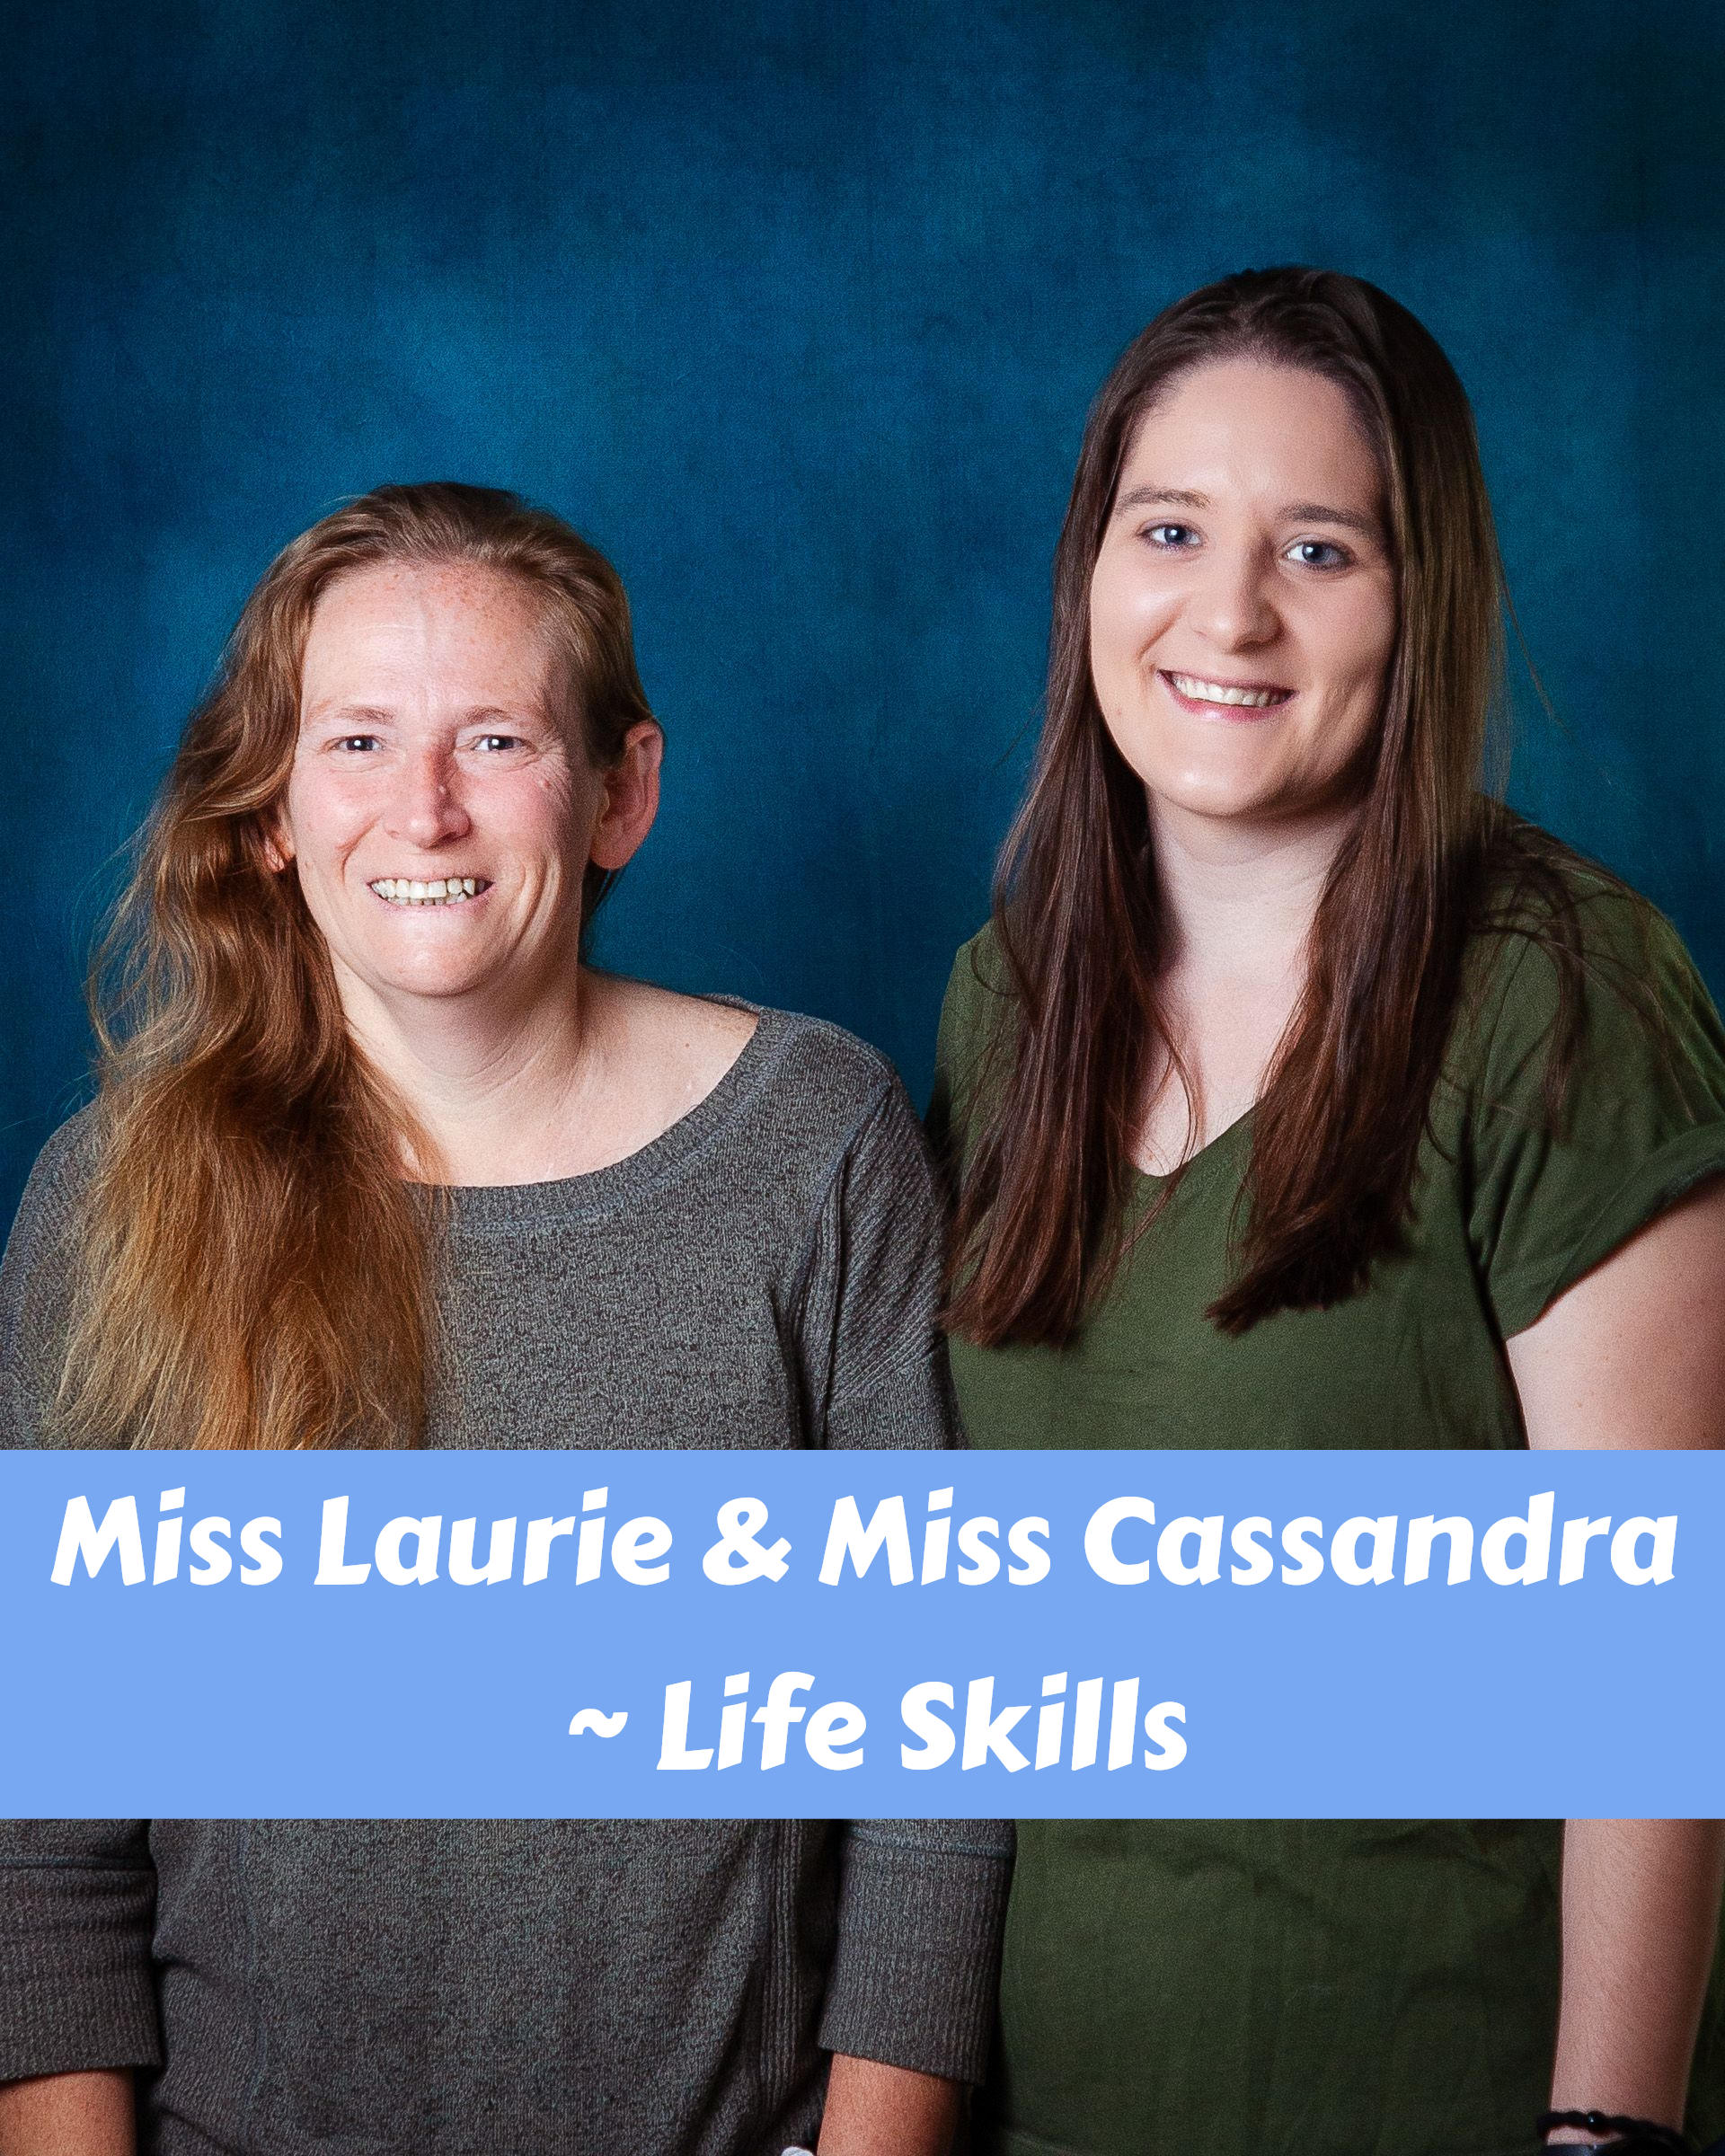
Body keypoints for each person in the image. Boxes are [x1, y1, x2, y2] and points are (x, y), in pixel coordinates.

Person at [0, 482, 1008, 2156]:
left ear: (622, 793)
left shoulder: (819, 1148)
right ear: (271, 811)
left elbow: (938, 1773)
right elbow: (44, 1841)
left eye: (496, 742)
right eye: (359, 744)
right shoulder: (110, 1204)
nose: (427, 812)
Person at [928, 270, 1725, 2156]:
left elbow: (1656, 1660)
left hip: (1430, 2098)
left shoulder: (1561, 992)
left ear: (1418, 599)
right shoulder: (1007, 998)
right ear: (1091, 571)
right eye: (1174, 530)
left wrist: (1605, 2136)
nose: (1229, 613)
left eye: (1322, 549)